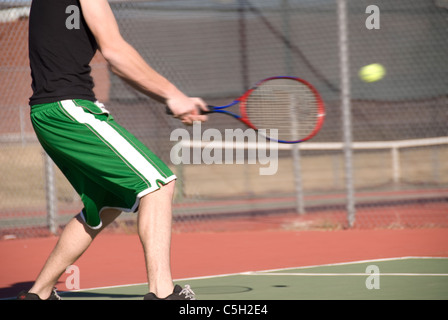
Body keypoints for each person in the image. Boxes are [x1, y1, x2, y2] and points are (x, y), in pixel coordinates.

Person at [17, 0, 207, 300]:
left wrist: (170, 99)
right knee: (158, 185)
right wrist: (173, 94)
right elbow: (115, 53)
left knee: (103, 206)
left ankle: (38, 293)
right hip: (68, 108)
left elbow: (119, 65)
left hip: (49, 111)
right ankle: (162, 293)